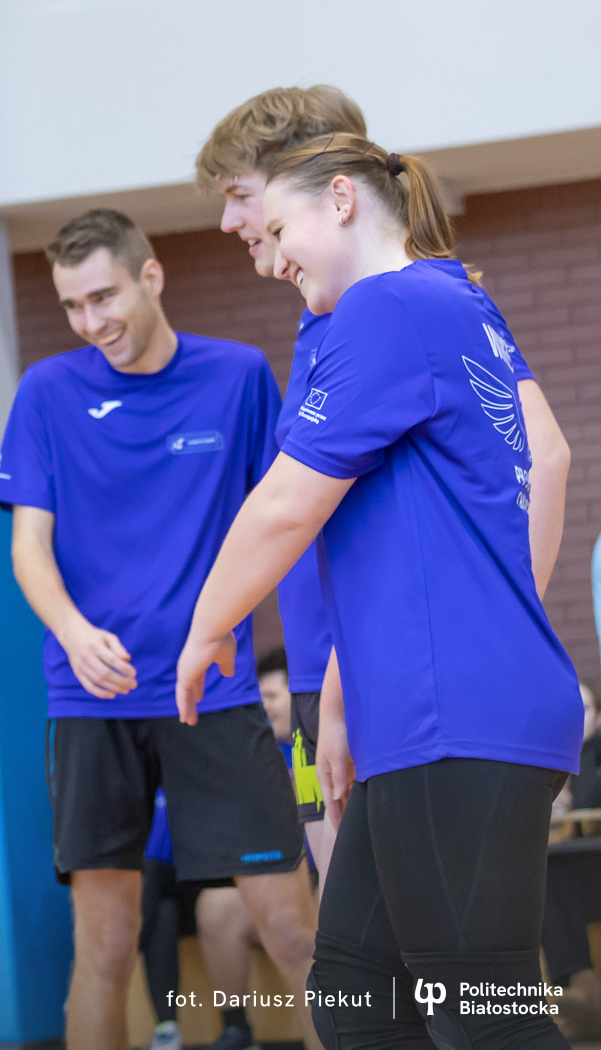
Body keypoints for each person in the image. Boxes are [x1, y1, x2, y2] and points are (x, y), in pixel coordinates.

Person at [176, 134, 581, 1050]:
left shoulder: (384, 305)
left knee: (484, 1016)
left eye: (278, 227)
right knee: (357, 993)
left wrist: (206, 627)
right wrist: (343, 700)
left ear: (341, 199)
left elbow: (286, 503)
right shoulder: (454, 300)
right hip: (426, 706)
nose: (273, 255)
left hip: (452, 710)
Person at [0, 208, 317, 1050]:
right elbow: (27, 548)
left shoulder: (237, 376)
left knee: (293, 930)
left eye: (102, 296)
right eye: (71, 306)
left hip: (215, 692)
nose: (89, 321)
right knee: (104, 944)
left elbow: (281, 521)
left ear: (150, 277)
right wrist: (71, 631)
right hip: (91, 700)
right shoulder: (45, 393)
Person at [139, 791, 262, 1050]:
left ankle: (123, 954)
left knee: (154, 876)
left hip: (223, 878)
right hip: (179, 891)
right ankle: (167, 1028)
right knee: (162, 909)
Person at [544, 682, 601, 1039]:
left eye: (587, 709)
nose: (578, 719)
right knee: (549, 876)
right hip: (575, 875)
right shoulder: (548, 764)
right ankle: (581, 986)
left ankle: (585, 1001)